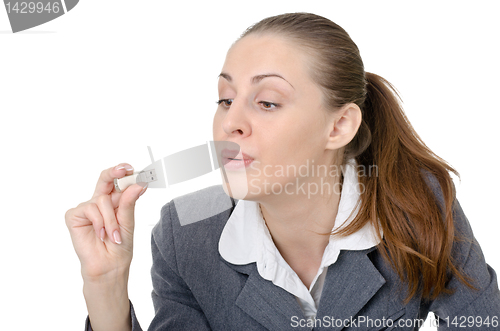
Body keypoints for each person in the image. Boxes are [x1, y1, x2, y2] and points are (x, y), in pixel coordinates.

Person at [65, 12, 500, 330]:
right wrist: (106, 286)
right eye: (225, 99)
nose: (230, 122)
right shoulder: (183, 231)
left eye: (267, 102)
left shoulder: (416, 200)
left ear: (339, 126)